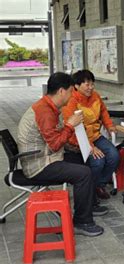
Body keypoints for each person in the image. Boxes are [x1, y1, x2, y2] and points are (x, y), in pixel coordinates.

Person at [17, 72, 106, 237]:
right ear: (61, 92)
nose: (72, 95)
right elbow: (55, 144)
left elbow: (55, 140)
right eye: (71, 91)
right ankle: (82, 221)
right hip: (39, 164)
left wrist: (79, 142)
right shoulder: (44, 111)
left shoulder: (47, 106)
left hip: (44, 156)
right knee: (83, 173)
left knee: (82, 161)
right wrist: (70, 126)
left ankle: (89, 205)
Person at [62, 69, 120, 200]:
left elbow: (104, 112)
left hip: (95, 136)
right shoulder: (71, 101)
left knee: (114, 156)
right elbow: (74, 129)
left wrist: (109, 125)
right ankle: (89, 191)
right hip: (77, 140)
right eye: (87, 84)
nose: (91, 87)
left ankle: (98, 185)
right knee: (98, 161)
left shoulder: (96, 96)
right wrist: (90, 147)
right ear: (76, 86)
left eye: (92, 84)